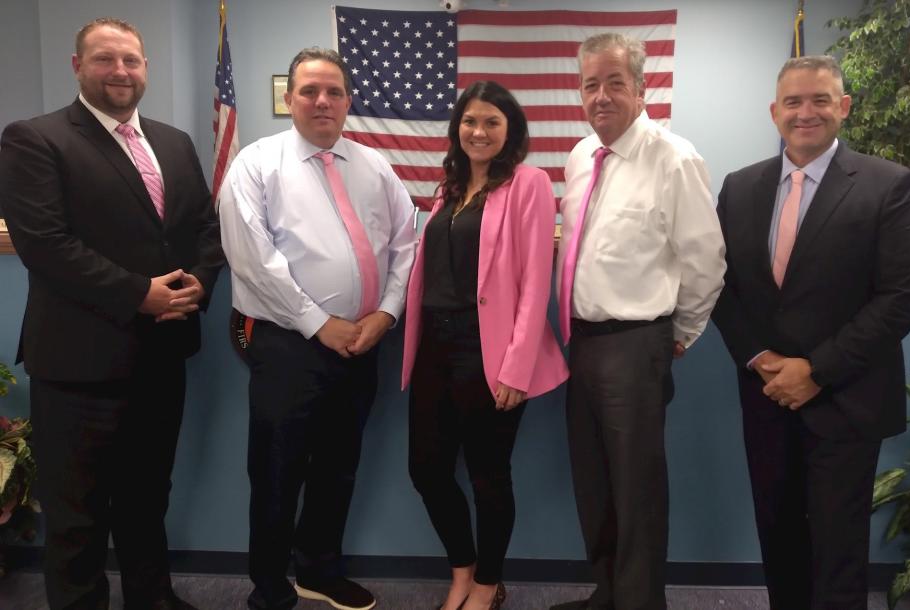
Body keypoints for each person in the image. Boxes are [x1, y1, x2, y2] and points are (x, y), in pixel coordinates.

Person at [0, 17, 223, 610]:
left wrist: (198, 283)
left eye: (131, 60)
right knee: (78, 513)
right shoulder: (35, 138)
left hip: (162, 354)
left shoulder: (173, 142)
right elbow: (45, 244)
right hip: (79, 364)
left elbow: (204, 227)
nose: (120, 71)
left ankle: (154, 599)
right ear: (78, 67)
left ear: (145, 67)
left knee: (148, 498)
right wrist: (137, 293)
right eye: (105, 59)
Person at [711, 55, 910, 610]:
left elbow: (903, 295)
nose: (805, 112)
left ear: (844, 107)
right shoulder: (739, 188)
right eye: (793, 101)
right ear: (774, 111)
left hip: (846, 397)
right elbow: (720, 284)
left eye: (820, 100)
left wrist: (817, 370)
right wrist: (761, 358)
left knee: (837, 548)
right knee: (778, 535)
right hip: (767, 395)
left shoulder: (888, 185)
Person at [217, 47, 416, 610]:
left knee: (339, 466)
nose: (322, 101)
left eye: (334, 91)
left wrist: (387, 312)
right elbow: (253, 258)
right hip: (286, 344)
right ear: (290, 99)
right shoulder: (257, 164)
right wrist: (317, 323)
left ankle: (319, 570)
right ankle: (270, 588)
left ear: (349, 101)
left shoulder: (374, 165)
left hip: (363, 342)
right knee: (278, 470)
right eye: (309, 91)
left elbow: (406, 242)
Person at [551, 33, 726, 610]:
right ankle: (608, 593)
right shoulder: (581, 157)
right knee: (594, 484)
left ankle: (641, 603)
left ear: (641, 87)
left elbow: (706, 258)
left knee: (637, 491)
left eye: (614, 82)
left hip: (636, 343)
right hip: (584, 341)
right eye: (590, 84)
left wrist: (680, 333)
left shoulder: (673, 156)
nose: (601, 96)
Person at [400, 81, 569, 610]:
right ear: (457, 129)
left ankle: (488, 584)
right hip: (434, 346)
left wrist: (516, 367)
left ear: (510, 130)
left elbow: (536, 280)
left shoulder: (529, 183)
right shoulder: (446, 190)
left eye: (492, 122)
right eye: (470, 121)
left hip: (489, 351)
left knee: (488, 475)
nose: (479, 131)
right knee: (426, 468)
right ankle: (463, 571)